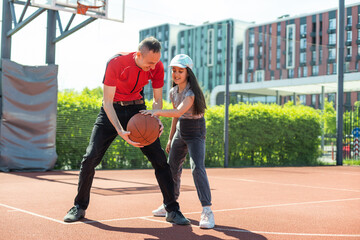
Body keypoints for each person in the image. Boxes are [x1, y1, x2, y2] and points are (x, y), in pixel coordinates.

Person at [63, 37, 190, 225]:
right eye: (149, 63)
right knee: (90, 158)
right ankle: (79, 207)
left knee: (160, 160)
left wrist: (155, 117)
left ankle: (172, 209)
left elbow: (157, 99)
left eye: (156, 62)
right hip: (111, 110)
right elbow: (107, 102)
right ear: (138, 55)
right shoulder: (116, 63)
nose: (153, 67)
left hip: (138, 110)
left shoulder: (157, 66)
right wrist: (120, 130)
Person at [140, 54, 215, 229]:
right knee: (171, 168)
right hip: (181, 130)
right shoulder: (174, 92)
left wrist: (155, 112)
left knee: (197, 169)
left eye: (180, 71)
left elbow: (177, 112)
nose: (176, 74)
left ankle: (207, 210)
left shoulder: (191, 93)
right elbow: (176, 118)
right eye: (174, 70)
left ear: (188, 73)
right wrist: (170, 137)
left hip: (196, 131)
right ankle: (169, 204)